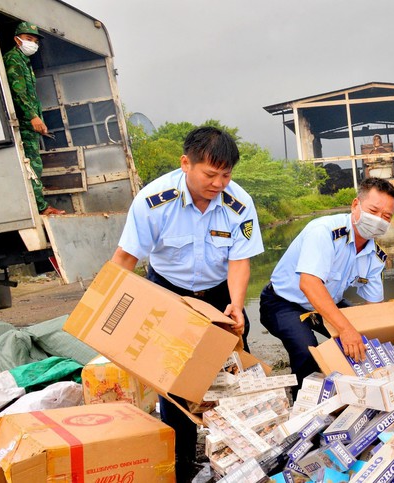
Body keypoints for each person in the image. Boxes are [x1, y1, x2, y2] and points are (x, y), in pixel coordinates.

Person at [110, 126, 263, 482]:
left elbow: (240, 261)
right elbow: (126, 258)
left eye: (226, 175)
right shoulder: (153, 201)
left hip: (220, 293)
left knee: (234, 371)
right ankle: (181, 465)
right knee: (174, 379)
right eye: (211, 174)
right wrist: (108, 310)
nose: (219, 183)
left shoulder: (238, 203)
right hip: (169, 290)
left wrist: (237, 306)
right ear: (185, 164)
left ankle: (241, 455)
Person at [259, 177, 394, 393]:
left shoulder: (376, 257)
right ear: (355, 205)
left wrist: (385, 326)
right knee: (308, 351)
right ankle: (305, 407)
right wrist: (346, 329)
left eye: (386, 216)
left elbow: (374, 309)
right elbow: (309, 284)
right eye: (373, 210)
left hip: (326, 304)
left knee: (369, 343)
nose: (378, 220)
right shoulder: (324, 232)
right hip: (283, 303)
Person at [4, 22, 65, 215]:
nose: (33, 44)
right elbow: (18, 92)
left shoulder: (24, 61)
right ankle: (41, 208)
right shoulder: (13, 59)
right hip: (23, 122)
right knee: (33, 165)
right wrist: (32, 117)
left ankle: (40, 206)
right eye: (29, 39)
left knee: (34, 164)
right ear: (17, 39)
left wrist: (37, 118)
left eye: (35, 41)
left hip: (28, 122)